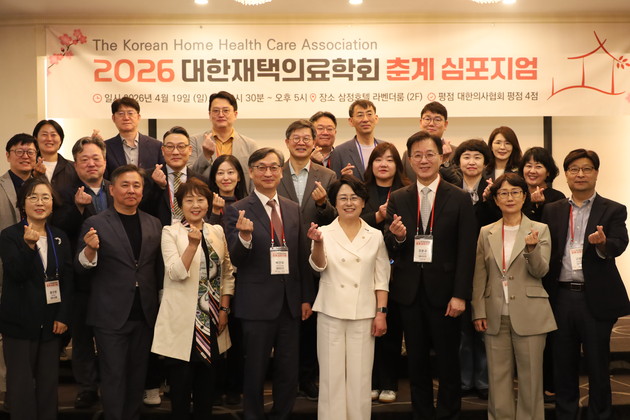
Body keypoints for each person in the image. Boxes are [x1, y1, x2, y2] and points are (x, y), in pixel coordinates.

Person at [384, 130, 477, 420]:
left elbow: (467, 251)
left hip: (446, 293)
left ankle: (449, 413)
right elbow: (390, 247)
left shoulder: (459, 198)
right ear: (410, 160)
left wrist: (460, 295)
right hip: (409, 293)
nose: (423, 160)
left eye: (429, 154)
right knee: (416, 362)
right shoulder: (398, 197)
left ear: (440, 157)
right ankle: (422, 413)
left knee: (448, 361)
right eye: (417, 156)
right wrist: (397, 237)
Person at [224, 147, 314, 420]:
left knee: (288, 369)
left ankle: (282, 414)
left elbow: (300, 256)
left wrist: (305, 297)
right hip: (256, 304)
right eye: (261, 167)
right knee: (255, 369)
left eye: (274, 167)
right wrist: (245, 238)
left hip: (290, 303)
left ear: (281, 172)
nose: (268, 172)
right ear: (251, 173)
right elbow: (235, 259)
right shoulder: (237, 210)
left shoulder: (292, 208)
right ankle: (253, 415)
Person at [542, 149, 630, 420]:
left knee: (597, 364)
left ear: (596, 173)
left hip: (595, 298)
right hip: (561, 297)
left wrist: (603, 244)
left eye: (587, 169)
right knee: (563, 364)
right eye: (574, 169)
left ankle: (600, 414)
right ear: (566, 175)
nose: (580, 174)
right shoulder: (552, 210)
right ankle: (566, 413)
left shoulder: (613, 209)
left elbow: (620, 243)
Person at [75, 164, 163, 420]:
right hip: (110, 315)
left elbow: (156, 269)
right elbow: (79, 267)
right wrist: (90, 250)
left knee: (137, 377)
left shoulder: (154, 223)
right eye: (125, 185)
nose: (131, 190)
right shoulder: (95, 223)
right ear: (112, 189)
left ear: (143, 190)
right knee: (114, 376)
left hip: (144, 313)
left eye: (136, 185)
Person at [472, 173, 557, 420]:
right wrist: (478, 311)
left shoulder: (539, 229)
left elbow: (541, 271)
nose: (509, 198)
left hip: (530, 314)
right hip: (495, 313)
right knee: (497, 379)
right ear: (496, 199)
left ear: (524, 196)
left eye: (515, 192)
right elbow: (479, 275)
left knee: (531, 380)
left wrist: (531, 249)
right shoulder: (486, 232)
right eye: (503, 193)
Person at [307, 175, 390, 419]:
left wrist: (381, 313)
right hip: (330, 312)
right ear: (334, 203)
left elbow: (381, 279)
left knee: (360, 377)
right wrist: (318, 244)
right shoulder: (323, 232)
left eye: (354, 198)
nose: (349, 203)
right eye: (342, 198)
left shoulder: (374, 235)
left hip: (363, 313)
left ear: (363, 202)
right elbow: (318, 266)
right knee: (330, 377)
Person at [152, 178, 235, 419]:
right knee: (180, 389)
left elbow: (227, 273)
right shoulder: (170, 232)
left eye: (200, 200)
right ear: (180, 205)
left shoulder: (217, 231)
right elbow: (175, 273)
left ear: (208, 204)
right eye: (189, 200)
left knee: (206, 391)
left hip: (212, 321)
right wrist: (191, 245)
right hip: (182, 323)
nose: (195, 205)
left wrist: (224, 310)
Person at [0, 177, 73, 420]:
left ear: (53, 203)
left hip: (51, 323)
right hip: (19, 323)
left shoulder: (59, 236)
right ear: (23, 204)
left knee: (48, 386)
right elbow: (16, 273)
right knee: (20, 387)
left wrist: (63, 316)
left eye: (45, 197)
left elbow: (67, 280)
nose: (39, 203)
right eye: (33, 197)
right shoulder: (10, 235)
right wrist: (28, 246)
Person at [277, 119, 337, 400]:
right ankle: (286, 380)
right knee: (286, 322)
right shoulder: (273, 172)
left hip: (316, 258)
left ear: (314, 143)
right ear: (287, 142)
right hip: (281, 258)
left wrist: (323, 204)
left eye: (306, 138)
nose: (301, 143)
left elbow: (337, 219)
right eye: (296, 138)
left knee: (312, 322)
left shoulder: (328, 176)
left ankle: (308, 377)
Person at [52, 136, 112, 409]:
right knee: (83, 337)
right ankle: (87, 388)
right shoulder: (63, 192)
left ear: (104, 161)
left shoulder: (117, 188)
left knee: (111, 338)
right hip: (80, 278)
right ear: (75, 165)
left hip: (113, 277)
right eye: (84, 160)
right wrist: (76, 208)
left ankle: (112, 385)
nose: (91, 163)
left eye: (95, 158)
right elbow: (58, 230)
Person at [361, 142, 409, 403]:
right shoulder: (360, 190)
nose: (383, 164)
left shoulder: (407, 191)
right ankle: (370, 381)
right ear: (371, 165)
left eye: (390, 160)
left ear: (397, 165)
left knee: (391, 324)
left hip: (397, 266)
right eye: (378, 159)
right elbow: (352, 221)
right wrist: (378, 217)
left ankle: (389, 382)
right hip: (364, 267)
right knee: (367, 325)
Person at [449, 139, 495, 400]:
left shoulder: (493, 191)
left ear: (485, 163)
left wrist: (489, 202)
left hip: (487, 265)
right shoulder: (450, 191)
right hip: (457, 263)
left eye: (477, 157)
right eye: (466, 157)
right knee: (463, 328)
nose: (471, 162)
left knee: (484, 324)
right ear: (458, 162)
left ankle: (484, 380)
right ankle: (465, 379)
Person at [207, 154, 248, 405]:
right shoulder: (205, 203)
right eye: (220, 173)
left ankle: (235, 388)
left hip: (241, 280)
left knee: (238, 336)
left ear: (239, 176)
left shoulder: (248, 204)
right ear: (214, 178)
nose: (226, 177)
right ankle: (213, 387)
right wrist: (213, 212)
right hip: (213, 280)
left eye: (231, 172)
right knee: (215, 334)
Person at [0, 133, 38, 398]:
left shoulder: (42, 187)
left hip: (37, 267)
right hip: (5, 267)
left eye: (30, 152)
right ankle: (7, 390)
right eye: (19, 151)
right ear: (8, 155)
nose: (25, 156)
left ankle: (28, 387)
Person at [188, 90, 258, 189]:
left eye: (226, 110)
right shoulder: (194, 141)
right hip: (206, 197)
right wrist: (205, 156)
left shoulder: (250, 145)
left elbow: (254, 180)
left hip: (240, 198)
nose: (221, 115)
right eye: (216, 111)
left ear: (235, 114)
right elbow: (189, 176)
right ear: (209, 114)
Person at [141, 126, 207, 227]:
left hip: (192, 232)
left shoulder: (201, 181)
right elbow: (142, 210)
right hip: (159, 233)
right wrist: (158, 187)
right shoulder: (148, 177)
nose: (175, 152)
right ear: (163, 150)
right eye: (170, 147)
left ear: (190, 150)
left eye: (181, 146)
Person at [103, 96, 164, 178]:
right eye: (121, 114)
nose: (126, 118)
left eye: (130, 113)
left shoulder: (156, 146)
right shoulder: (105, 147)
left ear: (138, 117)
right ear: (113, 118)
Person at [329, 99, 383, 181]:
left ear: (376, 118)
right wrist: (343, 179)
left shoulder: (386, 148)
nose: (365, 119)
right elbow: (334, 184)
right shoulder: (340, 152)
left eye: (369, 114)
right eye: (360, 115)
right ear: (351, 121)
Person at [401, 102, 455, 183]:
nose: (431, 124)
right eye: (427, 119)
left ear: (445, 124)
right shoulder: (407, 154)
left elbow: (457, 184)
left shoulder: (455, 152)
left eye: (437, 120)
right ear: (421, 122)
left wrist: (445, 162)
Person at [518, 147, 566, 222]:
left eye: (538, 167)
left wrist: (540, 205)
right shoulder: (517, 195)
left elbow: (556, 225)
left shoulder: (557, 197)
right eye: (529, 166)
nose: (532, 171)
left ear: (548, 172)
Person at [32, 119, 77, 192]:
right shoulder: (29, 167)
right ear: (35, 139)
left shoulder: (73, 168)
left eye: (53, 135)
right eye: (44, 134)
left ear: (60, 140)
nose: (49, 139)